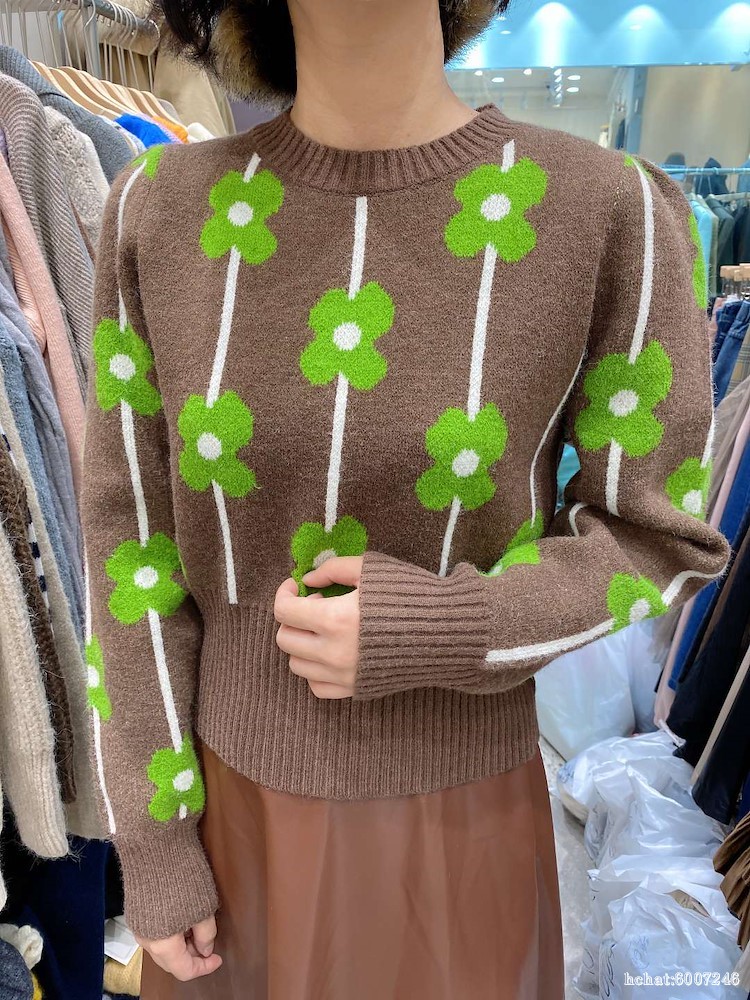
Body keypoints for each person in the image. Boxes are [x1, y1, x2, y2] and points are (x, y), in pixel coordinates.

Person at [80, 0, 729, 996]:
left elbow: (654, 534)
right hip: (228, 819)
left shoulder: (607, 212)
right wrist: (154, 839)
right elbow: (131, 548)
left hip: (457, 828)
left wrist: (453, 625)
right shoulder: (158, 211)